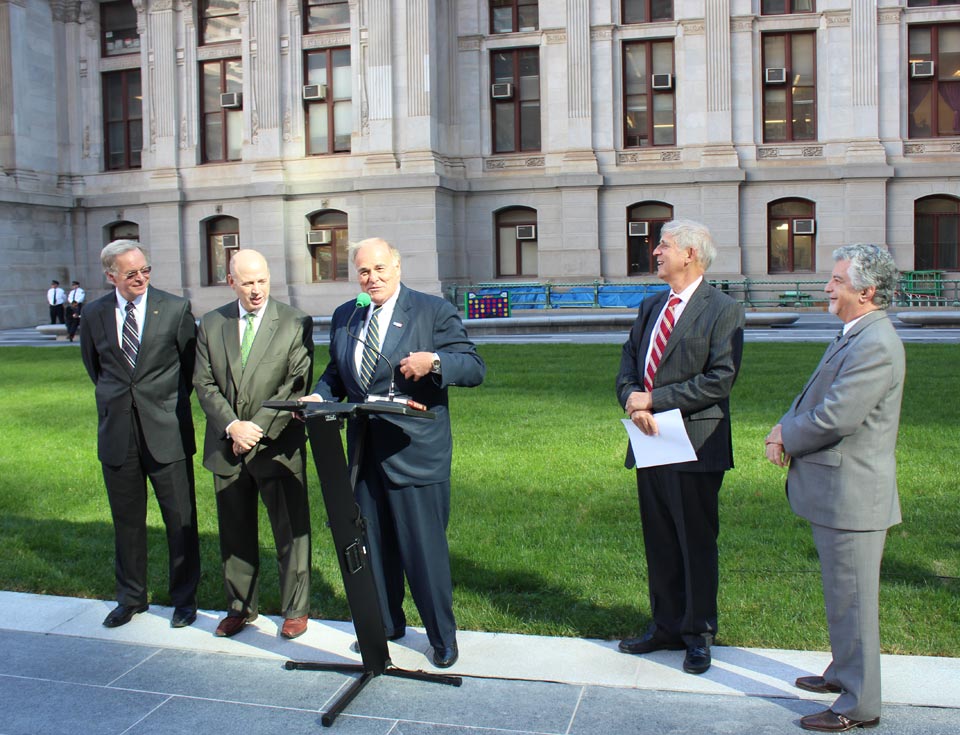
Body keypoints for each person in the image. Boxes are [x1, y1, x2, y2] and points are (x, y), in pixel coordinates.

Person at [302, 237, 485, 668]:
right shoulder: (348, 315)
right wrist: (319, 395)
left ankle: (442, 637)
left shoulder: (431, 310)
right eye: (364, 271)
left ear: (398, 267)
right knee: (373, 546)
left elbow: (473, 366)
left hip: (414, 453)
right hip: (364, 455)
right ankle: (385, 623)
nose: (372, 278)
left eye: (380, 269)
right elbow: (337, 372)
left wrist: (434, 362)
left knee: (423, 552)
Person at [764, 244, 904, 733]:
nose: (827, 287)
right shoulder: (857, 333)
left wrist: (785, 435)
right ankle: (843, 673)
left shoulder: (875, 343)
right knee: (843, 596)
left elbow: (837, 416)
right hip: (839, 492)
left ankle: (859, 704)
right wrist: (784, 426)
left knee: (854, 602)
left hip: (852, 496)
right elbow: (813, 395)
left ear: (867, 292)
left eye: (838, 281)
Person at [615, 219, 745, 675]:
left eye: (664, 245)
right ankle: (666, 625)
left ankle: (698, 634)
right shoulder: (651, 305)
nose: (655, 252)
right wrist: (633, 401)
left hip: (695, 442)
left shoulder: (723, 309)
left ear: (690, 254)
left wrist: (655, 400)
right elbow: (629, 362)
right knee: (660, 539)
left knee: (695, 542)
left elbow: (720, 379)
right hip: (649, 439)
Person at [194, 249, 315, 640]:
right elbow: (204, 383)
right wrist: (233, 426)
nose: (257, 289)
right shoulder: (212, 323)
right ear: (231, 282)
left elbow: (296, 383)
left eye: (262, 280)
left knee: (291, 531)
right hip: (228, 446)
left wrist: (255, 429)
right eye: (247, 282)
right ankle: (240, 608)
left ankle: (295, 610)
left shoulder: (295, 322)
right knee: (235, 532)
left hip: (277, 446)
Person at [79, 240, 201, 629]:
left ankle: (184, 600)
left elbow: (189, 369)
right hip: (118, 434)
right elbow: (95, 367)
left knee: (180, 520)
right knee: (127, 522)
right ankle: (131, 598)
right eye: (131, 273)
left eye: (145, 270)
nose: (141, 278)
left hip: (166, 431)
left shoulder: (175, 309)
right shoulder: (94, 313)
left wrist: (162, 406)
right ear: (110, 276)